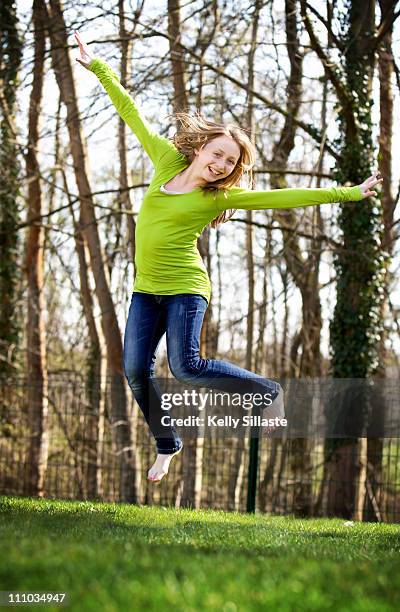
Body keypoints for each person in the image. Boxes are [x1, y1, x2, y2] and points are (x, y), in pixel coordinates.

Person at [75, 31, 383, 483]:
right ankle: (167, 444)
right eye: (217, 154)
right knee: (136, 371)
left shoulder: (218, 198)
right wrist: (98, 67)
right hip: (146, 290)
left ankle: (265, 391)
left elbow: (285, 196)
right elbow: (131, 111)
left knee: (187, 366)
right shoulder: (165, 161)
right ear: (200, 149)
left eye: (230, 162)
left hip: (186, 289)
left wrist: (349, 192)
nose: (220, 165)